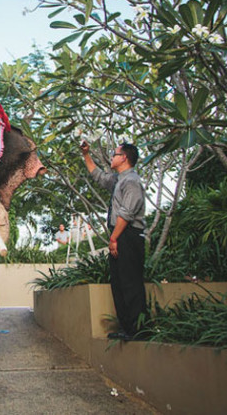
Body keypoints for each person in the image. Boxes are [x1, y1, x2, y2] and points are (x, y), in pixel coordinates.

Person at [80, 141, 147, 341]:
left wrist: (114, 238)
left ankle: (139, 330)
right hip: (119, 236)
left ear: (124, 158)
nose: (111, 157)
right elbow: (98, 176)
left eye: (114, 154)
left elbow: (126, 214)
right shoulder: (119, 180)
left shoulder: (132, 182)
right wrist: (86, 155)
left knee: (130, 283)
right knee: (118, 284)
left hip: (128, 236)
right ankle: (127, 329)